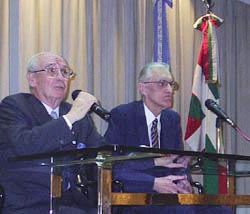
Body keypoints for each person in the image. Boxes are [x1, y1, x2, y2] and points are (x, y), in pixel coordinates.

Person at [105, 62, 232, 213]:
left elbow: (176, 163)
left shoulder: (171, 119)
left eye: (171, 84)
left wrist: (183, 181)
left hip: (169, 197)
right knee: (182, 212)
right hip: (135, 198)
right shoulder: (123, 115)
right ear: (142, 88)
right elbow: (111, 166)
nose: (169, 90)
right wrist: (153, 183)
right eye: (162, 84)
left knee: (221, 211)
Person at [0, 52, 105, 214]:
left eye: (64, 72)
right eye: (51, 71)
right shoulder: (14, 106)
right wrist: (69, 119)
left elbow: (102, 150)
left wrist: (153, 162)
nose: (60, 77)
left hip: (71, 200)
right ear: (32, 79)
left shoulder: (73, 112)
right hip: (28, 202)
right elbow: (24, 144)